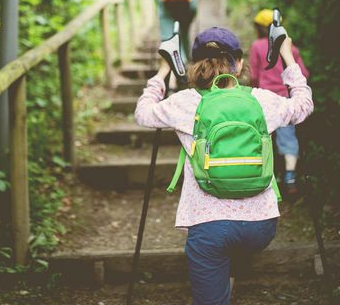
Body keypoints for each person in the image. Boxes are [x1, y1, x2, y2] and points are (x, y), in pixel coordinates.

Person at [134, 26, 313, 304]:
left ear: (193, 65)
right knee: (234, 247)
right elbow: (303, 106)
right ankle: (229, 272)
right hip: (261, 226)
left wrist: (161, 72)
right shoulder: (261, 99)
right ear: (239, 63)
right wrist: (287, 57)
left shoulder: (184, 103)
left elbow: (142, 113)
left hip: (209, 227)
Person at [250, 9, 309, 193]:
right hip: (285, 98)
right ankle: (290, 176)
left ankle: (267, 175)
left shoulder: (257, 46)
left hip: (264, 99)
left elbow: (253, 74)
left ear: (259, 27)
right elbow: (303, 74)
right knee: (288, 136)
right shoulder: (290, 47)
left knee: (263, 136)